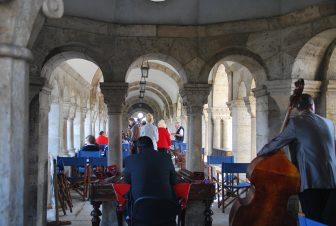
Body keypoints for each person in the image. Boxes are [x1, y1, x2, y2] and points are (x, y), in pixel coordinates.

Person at [257, 94, 336, 225]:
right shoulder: (329, 123)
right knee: (328, 221)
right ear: (312, 106)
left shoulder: (296, 123)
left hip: (310, 181)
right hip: (332, 180)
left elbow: (277, 142)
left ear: (298, 109)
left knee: (314, 220)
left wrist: (260, 153)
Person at [123, 136, 178, 224]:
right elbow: (174, 181)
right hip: (165, 209)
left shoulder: (130, 160)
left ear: (138, 148)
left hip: (140, 210)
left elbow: (127, 181)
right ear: (152, 146)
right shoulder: (166, 157)